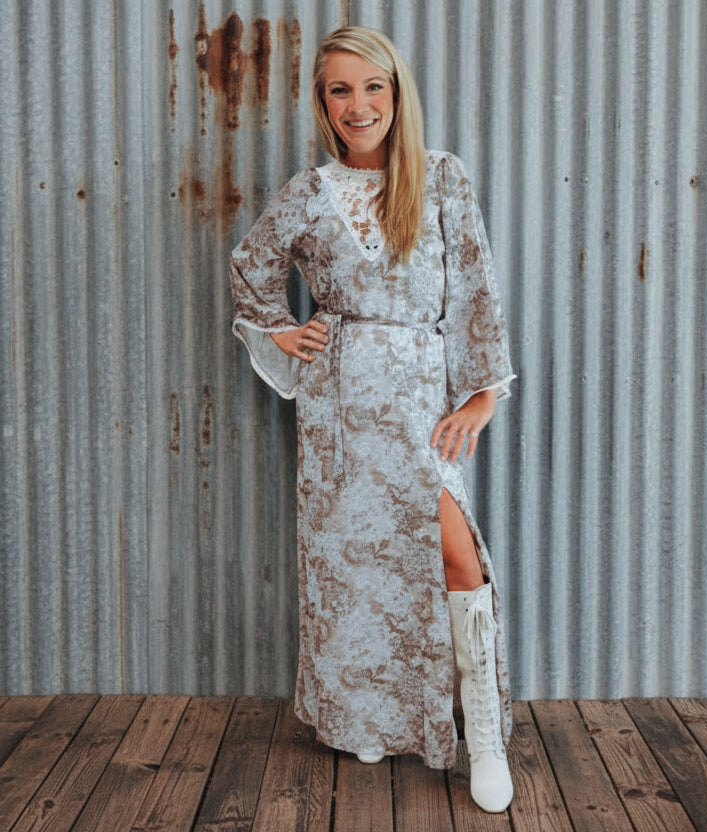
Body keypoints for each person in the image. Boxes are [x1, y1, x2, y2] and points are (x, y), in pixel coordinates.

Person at [229, 25, 516, 813]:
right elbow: (251, 269)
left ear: (397, 93)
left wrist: (482, 395)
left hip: (420, 400)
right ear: (323, 103)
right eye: (340, 90)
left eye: (373, 87)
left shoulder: (442, 180)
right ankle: (366, 719)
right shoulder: (308, 192)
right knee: (351, 566)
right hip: (338, 407)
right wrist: (281, 331)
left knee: (452, 552)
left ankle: (481, 733)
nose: (358, 105)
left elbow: (477, 293)